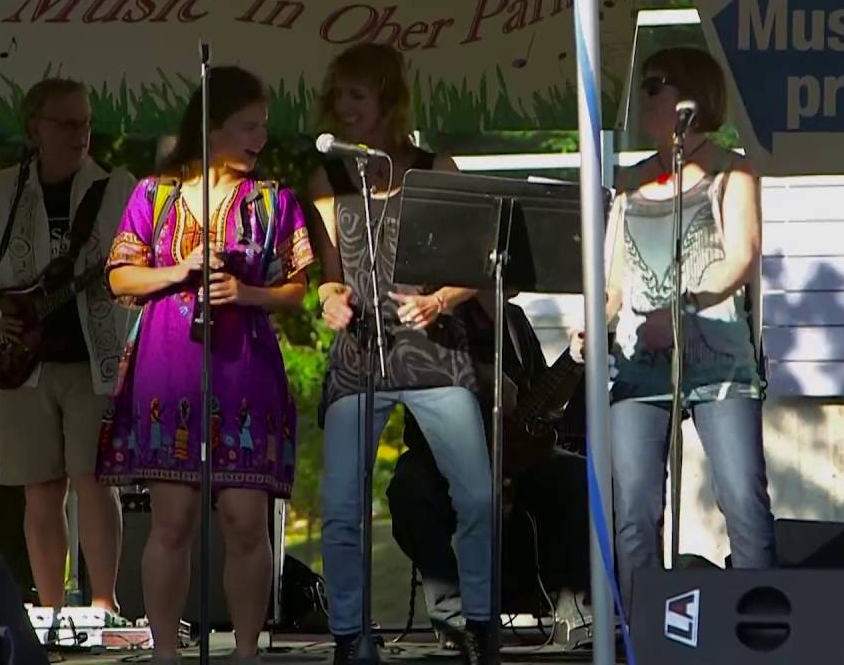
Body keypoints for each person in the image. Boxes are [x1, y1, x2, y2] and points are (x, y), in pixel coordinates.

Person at [95, 65, 314, 663]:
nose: (260, 140)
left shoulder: (273, 200)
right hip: (170, 365)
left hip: (244, 365)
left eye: (263, 127)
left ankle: (246, 652)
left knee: (246, 519)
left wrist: (247, 295)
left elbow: (298, 288)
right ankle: (165, 651)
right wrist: (178, 269)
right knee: (173, 518)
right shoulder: (154, 195)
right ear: (211, 129)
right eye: (248, 127)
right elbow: (119, 276)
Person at [307, 42, 494, 665]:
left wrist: (441, 300)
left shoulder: (435, 166)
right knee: (340, 507)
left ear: (388, 100)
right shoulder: (329, 177)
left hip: (435, 353)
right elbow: (330, 276)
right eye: (338, 96)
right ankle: (350, 635)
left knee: (475, 496)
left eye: (356, 96)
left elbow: (480, 264)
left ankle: (480, 623)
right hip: (359, 357)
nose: (344, 107)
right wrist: (328, 299)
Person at [572, 46, 776, 611]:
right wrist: (594, 322)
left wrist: (684, 308)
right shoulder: (628, 184)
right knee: (634, 510)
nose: (645, 97)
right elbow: (612, 281)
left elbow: (743, 256)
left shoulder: (731, 171)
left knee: (742, 502)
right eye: (644, 85)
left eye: (655, 85)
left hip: (717, 358)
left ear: (690, 97)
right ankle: (642, 631)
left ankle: (764, 631)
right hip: (639, 361)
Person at [0, 78, 134, 614]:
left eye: (87, 122)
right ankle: (51, 613)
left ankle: (103, 605)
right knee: (40, 489)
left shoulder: (118, 189)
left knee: (94, 482)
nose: (81, 134)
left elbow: (144, 255)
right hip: (21, 367)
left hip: (94, 362)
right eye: (67, 123)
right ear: (35, 129)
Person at [387, 300, 592, 649]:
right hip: (441, 453)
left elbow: (539, 397)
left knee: (578, 476)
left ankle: (577, 611)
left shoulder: (513, 319)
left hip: (517, 453)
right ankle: (455, 617)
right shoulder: (432, 314)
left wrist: (572, 360)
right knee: (408, 490)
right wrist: (481, 376)